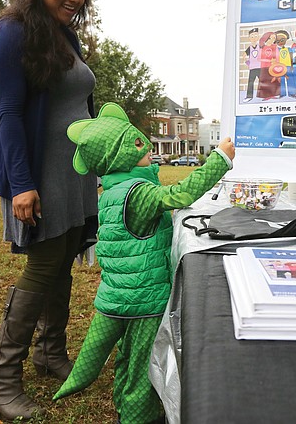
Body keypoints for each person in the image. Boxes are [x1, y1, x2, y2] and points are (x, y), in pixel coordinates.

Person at [53, 103, 235, 424]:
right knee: (143, 362)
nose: (148, 147)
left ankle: (125, 405)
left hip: (119, 297)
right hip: (144, 301)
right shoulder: (138, 193)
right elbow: (179, 194)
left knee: (127, 356)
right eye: (137, 145)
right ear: (117, 156)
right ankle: (140, 417)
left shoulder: (112, 191)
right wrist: (219, 159)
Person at [0, 0, 97, 420]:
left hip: (74, 173)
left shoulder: (63, 35)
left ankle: (50, 354)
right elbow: (7, 113)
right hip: (40, 173)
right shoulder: (9, 33)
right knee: (43, 266)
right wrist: (23, 186)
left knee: (64, 260)